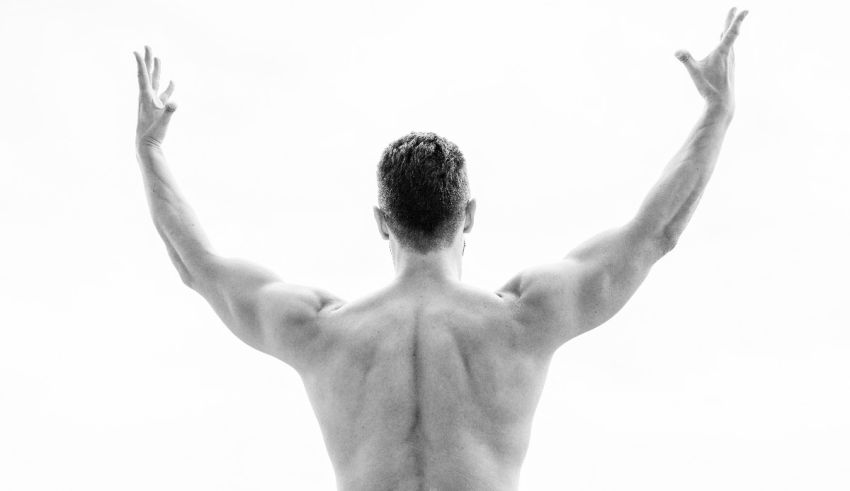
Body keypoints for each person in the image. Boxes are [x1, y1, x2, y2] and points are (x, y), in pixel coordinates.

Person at [133, 8, 748, 490]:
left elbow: (198, 267)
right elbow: (656, 233)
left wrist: (150, 150)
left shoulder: (321, 332)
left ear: (381, 222)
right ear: (470, 216)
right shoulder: (524, 320)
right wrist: (716, 112)